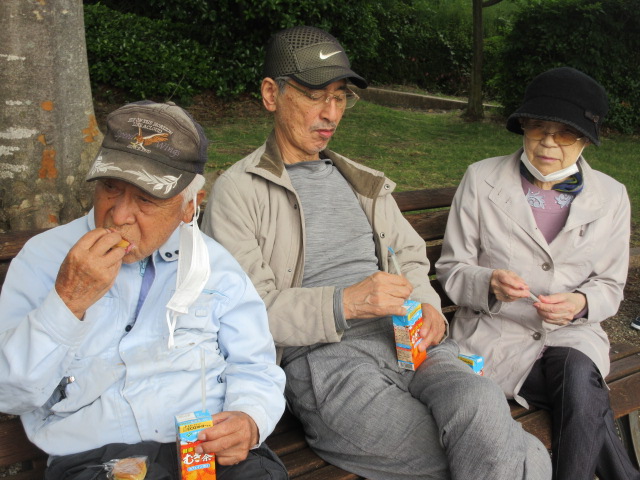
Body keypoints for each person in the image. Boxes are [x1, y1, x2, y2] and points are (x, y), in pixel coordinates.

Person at [203, 25, 551, 480]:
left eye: (340, 96)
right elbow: (247, 312)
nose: (331, 113)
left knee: (481, 401)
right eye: (314, 95)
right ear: (271, 94)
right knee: (507, 449)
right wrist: (346, 301)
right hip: (327, 359)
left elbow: (410, 256)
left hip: (410, 340)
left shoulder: (362, 182)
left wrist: (429, 307)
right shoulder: (238, 192)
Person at [0, 101, 288, 480]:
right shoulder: (44, 259)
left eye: (146, 199)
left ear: (189, 207)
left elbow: (256, 367)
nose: (119, 215)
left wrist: (249, 419)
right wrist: (67, 302)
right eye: (110, 188)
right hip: (95, 459)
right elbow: (10, 393)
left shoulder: (216, 268)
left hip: (206, 450)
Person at [436, 67, 640, 480]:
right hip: (496, 336)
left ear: (585, 140)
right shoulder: (481, 179)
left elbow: (609, 285)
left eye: (565, 133)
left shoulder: (612, 196)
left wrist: (580, 304)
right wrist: (488, 283)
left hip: (570, 333)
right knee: (585, 396)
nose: (548, 141)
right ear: (523, 127)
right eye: (537, 127)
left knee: (579, 376)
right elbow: (451, 268)